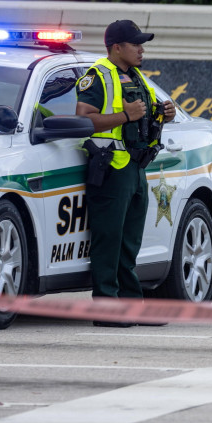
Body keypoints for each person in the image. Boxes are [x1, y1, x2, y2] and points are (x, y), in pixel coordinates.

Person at [76, 20, 176, 327]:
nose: (141, 49)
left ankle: (132, 306)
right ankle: (107, 309)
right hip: (110, 169)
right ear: (116, 47)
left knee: (130, 242)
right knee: (109, 240)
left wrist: (164, 113)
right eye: (136, 44)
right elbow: (84, 120)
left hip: (135, 168)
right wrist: (124, 115)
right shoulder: (97, 76)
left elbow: (143, 117)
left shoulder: (135, 76)